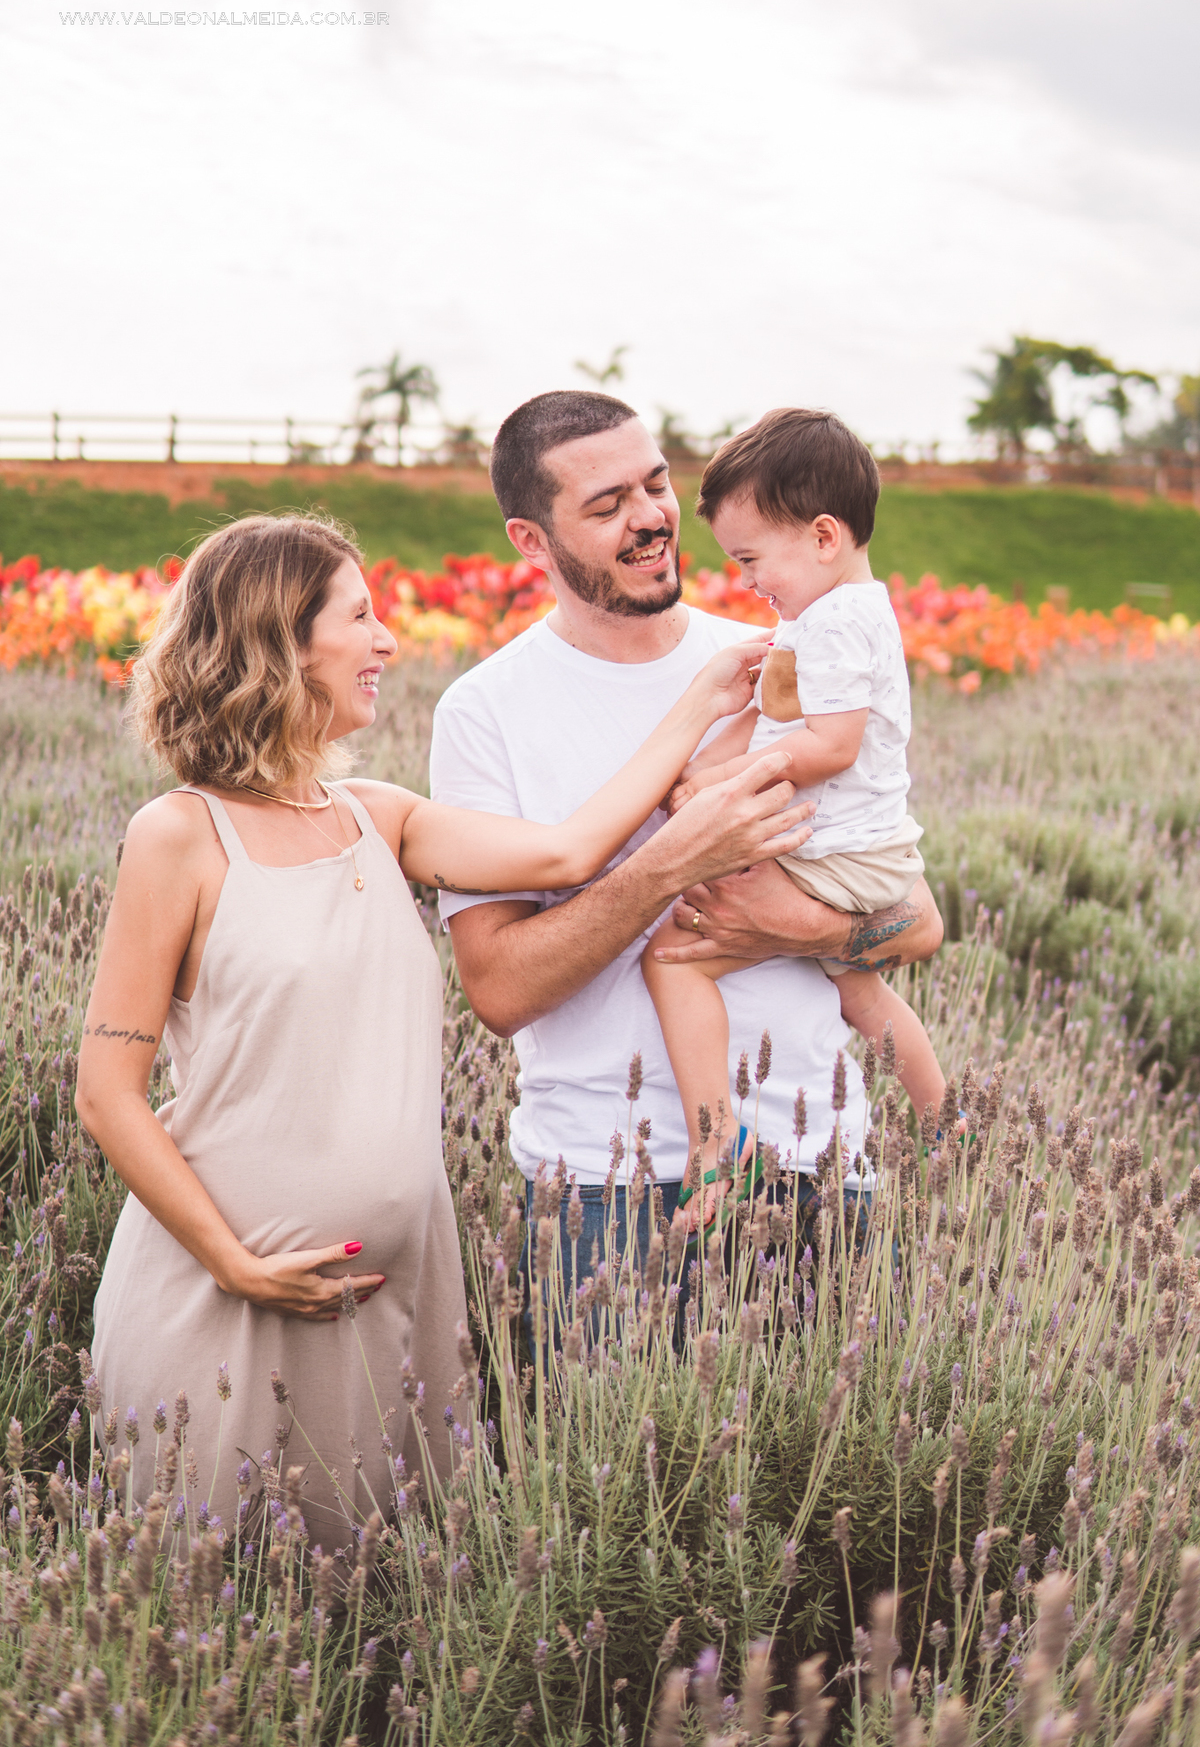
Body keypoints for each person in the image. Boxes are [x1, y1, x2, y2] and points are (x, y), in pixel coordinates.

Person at [77, 512, 801, 1555]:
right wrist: (233, 1261)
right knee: (210, 1611)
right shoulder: (179, 836)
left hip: (394, 1307)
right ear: (279, 639)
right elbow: (108, 1090)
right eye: (360, 618)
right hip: (220, 1303)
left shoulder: (382, 817)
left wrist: (702, 698)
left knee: (387, 1621)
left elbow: (570, 851)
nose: (386, 643)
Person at [429, 391, 945, 1278]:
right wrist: (673, 866)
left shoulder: (774, 651)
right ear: (531, 540)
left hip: (824, 1166)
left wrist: (785, 928)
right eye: (606, 505)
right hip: (610, 1195)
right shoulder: (486, 713)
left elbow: (918, 920)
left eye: (655, 484)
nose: (651, 519)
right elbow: (500, 992)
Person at [641, 408, 945, 1228]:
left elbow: (833, 745)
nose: (744, 580)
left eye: (750, 557)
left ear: (821, 537)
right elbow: (777, 718)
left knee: (673, 959)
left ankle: (715, 1147)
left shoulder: (838, 622)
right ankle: (945, 1126)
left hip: (840, 853)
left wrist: (722, 784)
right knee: (861, 993)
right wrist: (714, 762)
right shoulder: (821, 616)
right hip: (865, 848)